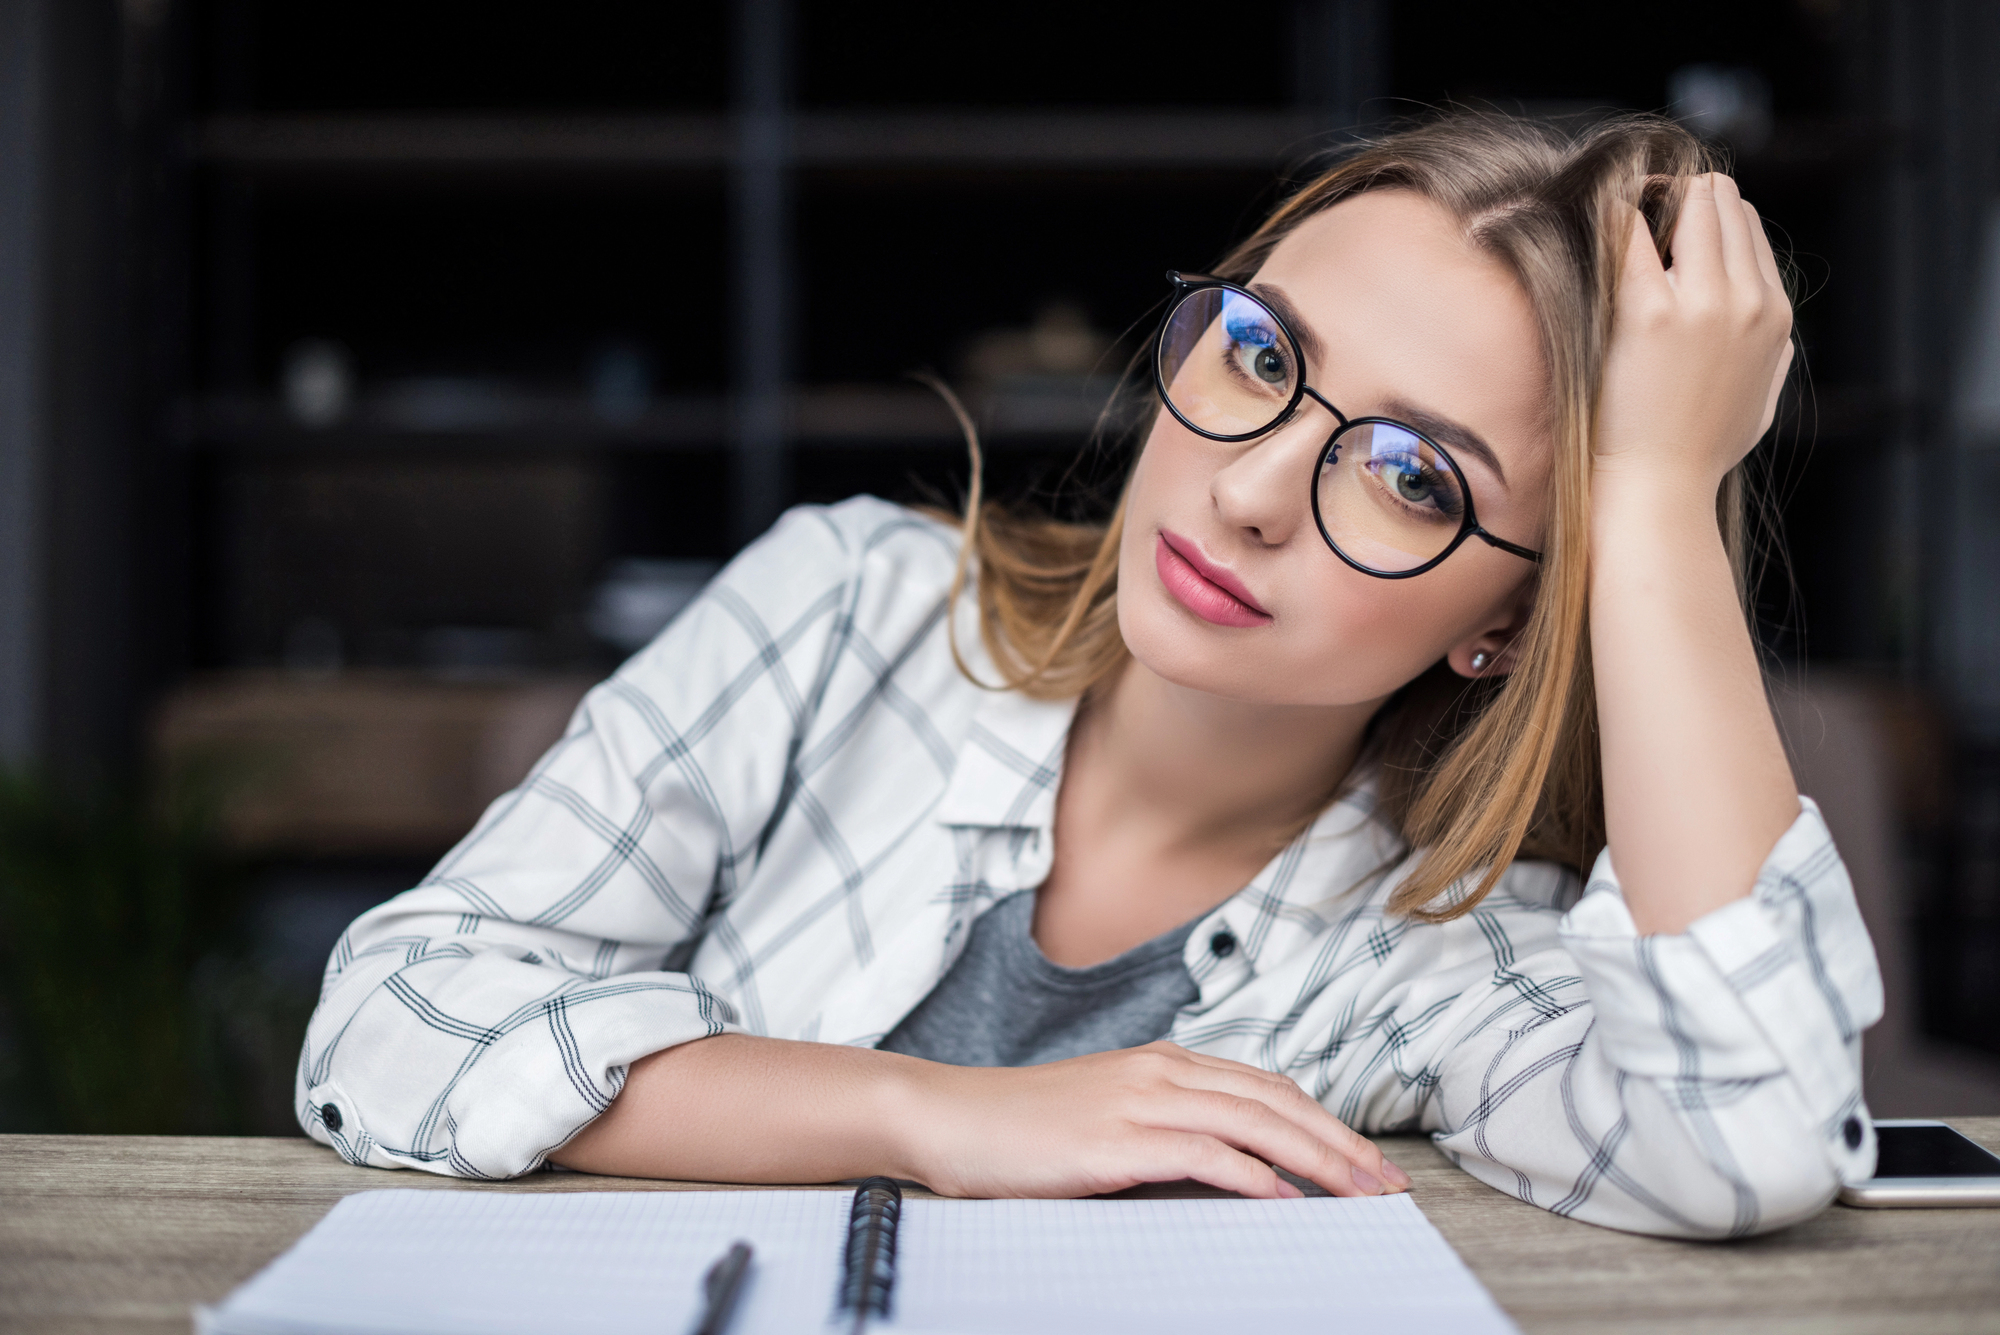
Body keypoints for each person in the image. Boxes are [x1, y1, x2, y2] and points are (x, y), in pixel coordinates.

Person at [296, 112, 1883, 1238]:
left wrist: (1662, 496)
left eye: (1413, 475)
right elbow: (395, 1015)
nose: (1253, 491)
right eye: (1262, 359)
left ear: (1518, 623)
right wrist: (937, 1118)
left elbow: (1739, 1138)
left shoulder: (1440, 956)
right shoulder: (851, 605)